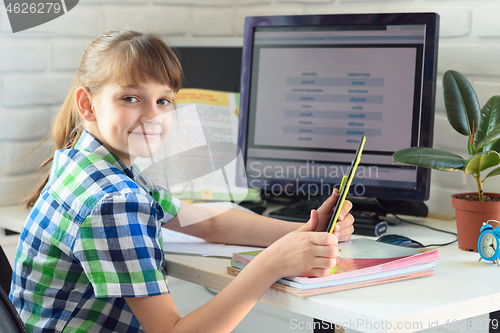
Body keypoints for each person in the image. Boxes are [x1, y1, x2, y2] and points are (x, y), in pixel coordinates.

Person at [10, 30, 354, 333]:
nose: (152, 116)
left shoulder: (90, 165)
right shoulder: (113, 202)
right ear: (87, 104)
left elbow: (210, 223)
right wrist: (271, 264)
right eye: (131, 98)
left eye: (163, 101)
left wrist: (304, 230)